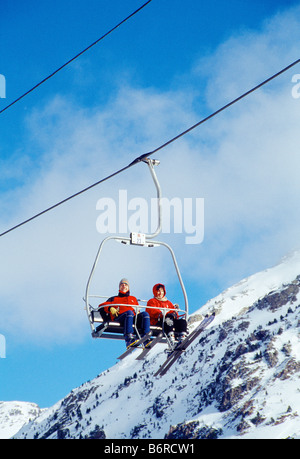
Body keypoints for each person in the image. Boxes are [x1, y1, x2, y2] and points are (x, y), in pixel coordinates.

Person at [98, 278, 150, 348]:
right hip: (120, 318)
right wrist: (111, 308)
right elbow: (101, 306)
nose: (124, 286)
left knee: (145, 314)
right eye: (122, 285)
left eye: (126, 285)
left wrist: (138, 313)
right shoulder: (114, 298)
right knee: (129, 313)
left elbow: (137, 310)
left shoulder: (133, 299)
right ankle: (129, 338)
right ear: (119, 287)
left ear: (128, 287)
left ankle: (145, 337)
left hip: (132, 318)